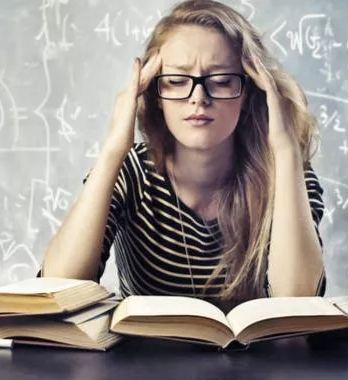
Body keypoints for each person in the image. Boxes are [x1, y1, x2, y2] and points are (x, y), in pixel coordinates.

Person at [40, 0, 325, 310]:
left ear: (248, 92)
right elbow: (57, 290)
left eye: (221, 81)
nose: (198, 98)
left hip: (255, 358)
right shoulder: (131, 171)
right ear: (154, 93)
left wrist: (285, 150)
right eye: (176, 81)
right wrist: (112, 150)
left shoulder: (285, 173)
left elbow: (299, 301)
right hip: (148, 357)